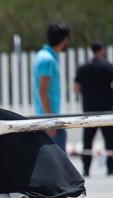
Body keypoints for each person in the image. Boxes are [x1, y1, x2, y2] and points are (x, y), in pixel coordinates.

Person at [74, 42, 113, 177]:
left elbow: (76, 88)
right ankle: (111, 168)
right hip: (107, 109)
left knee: (87, 141)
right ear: (102, 50)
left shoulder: (83, 67)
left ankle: (86, 169)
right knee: (110, 140)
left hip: (89, 110)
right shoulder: (108, 66)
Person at [33, 22, 70, 151]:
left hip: (46, 117)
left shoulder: (42, 55)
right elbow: (43, 91)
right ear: (64, 39)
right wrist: (50, 122)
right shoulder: (48, 59)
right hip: (50, 119)